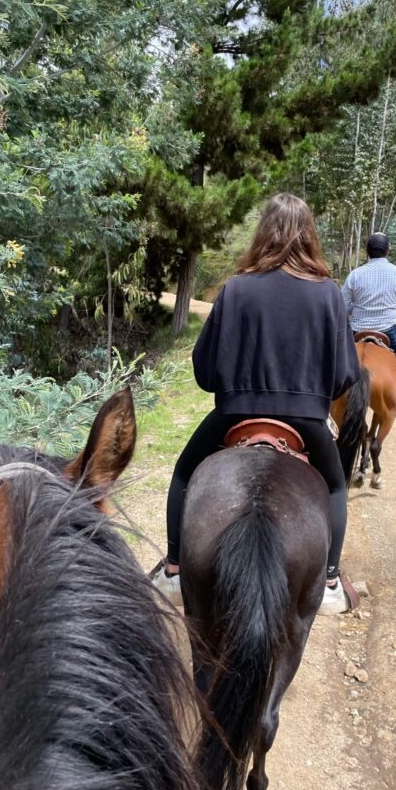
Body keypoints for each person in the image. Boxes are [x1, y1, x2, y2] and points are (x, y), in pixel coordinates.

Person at [153, 193, 360, 615]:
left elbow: (204, 371)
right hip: (306, 421)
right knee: (336, 485)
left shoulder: (236, 289)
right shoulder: (328, 295)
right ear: (309, 236)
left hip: (236, 412)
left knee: (184, 471)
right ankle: (332, 577)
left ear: (263, 232)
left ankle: (175, 567)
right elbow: (344, 377)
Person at [342, 232, 396, 421]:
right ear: (388, 251)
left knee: (333, 358)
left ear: (367, 252)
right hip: (387, 331)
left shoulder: (355, 274)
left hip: (356, 331)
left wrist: (355, 310)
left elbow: (343, 306)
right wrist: (395, 312)